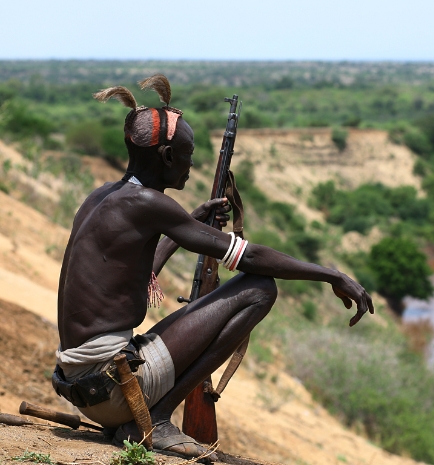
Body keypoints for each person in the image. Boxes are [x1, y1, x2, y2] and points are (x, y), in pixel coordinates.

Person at [53, 75, 374, 460]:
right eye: (187, 156)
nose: (191, 165)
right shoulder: (147, 205)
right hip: (118, 390)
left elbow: (132, 284)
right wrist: (331, 274)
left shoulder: (103, 197)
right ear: (168, 157)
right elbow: (251, 258)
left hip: (86, 388)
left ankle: (148, 413)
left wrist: (184, 224)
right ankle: (155, 416)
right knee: (259, 289)